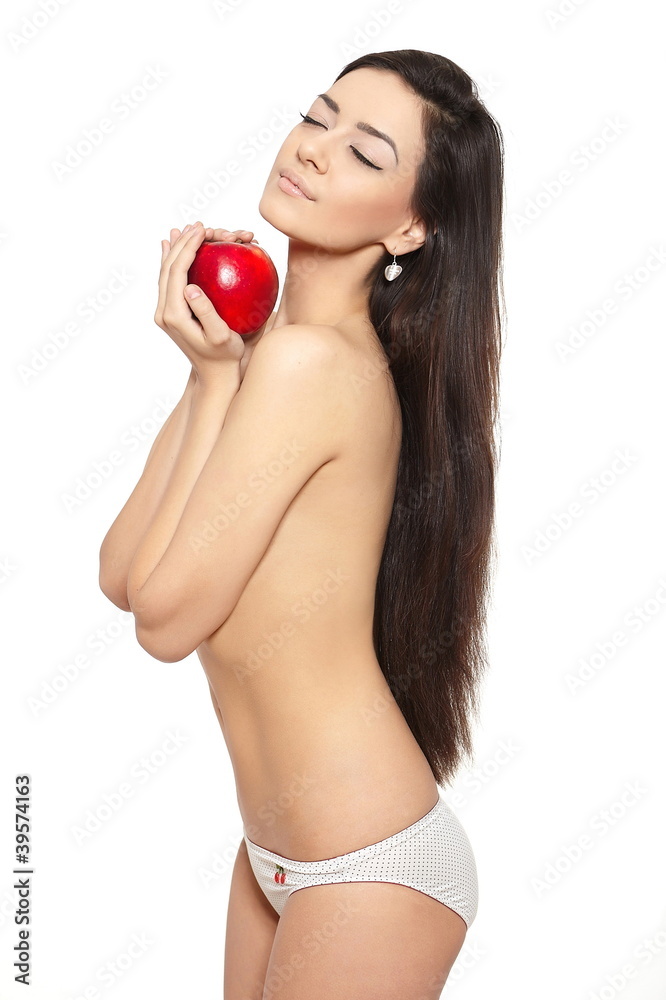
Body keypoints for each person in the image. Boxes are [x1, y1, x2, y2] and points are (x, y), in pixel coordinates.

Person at [98, 47, 504, 1000]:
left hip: (367, 867)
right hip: (275, 856)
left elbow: (164, 623)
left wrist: (221, 377)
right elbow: (123, 574)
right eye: (317, 118)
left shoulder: (311, 366)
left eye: (364, 153)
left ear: (412, 225)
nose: (314, 151)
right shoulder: (272, 347)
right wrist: (212, 376)